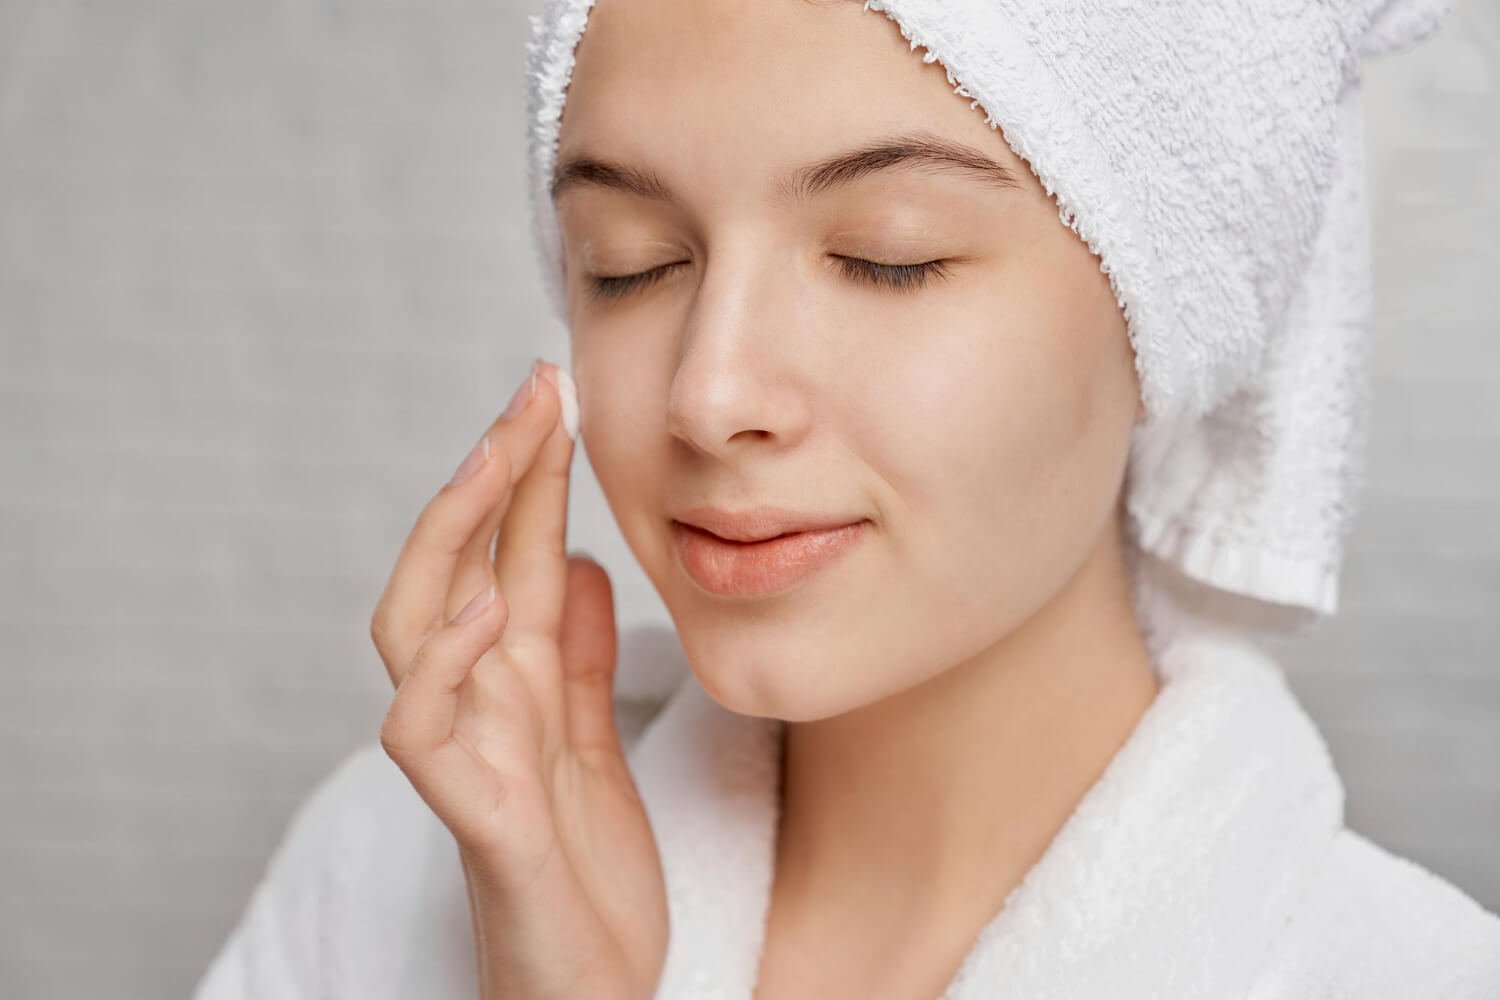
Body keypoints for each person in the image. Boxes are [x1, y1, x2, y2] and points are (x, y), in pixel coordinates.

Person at [193, 0, 1500, 997]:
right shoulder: (389, 875)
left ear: (1174, 315)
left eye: (889, 259)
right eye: (631, 267)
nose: (708, 394)